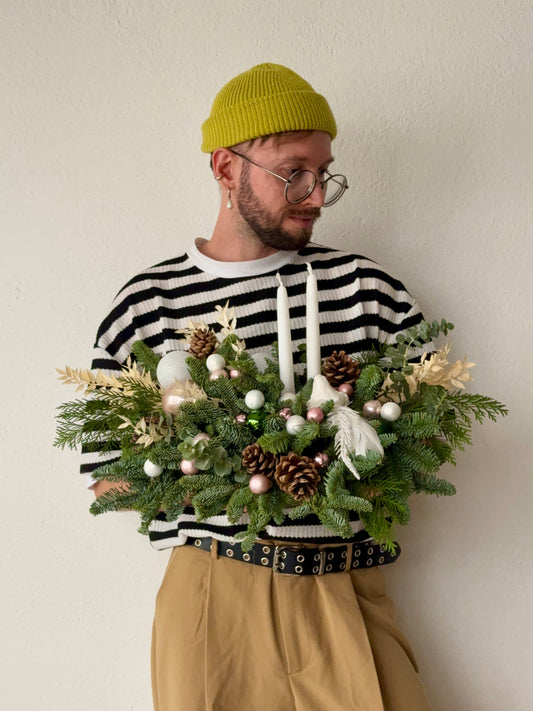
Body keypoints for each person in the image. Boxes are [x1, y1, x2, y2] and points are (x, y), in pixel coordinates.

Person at [84, 63, 431, 711]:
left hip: (345, 585)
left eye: (323, 172)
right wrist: (229, 462)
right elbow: (107, 474)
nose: (316, 194)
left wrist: (338, 452)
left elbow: (430, 430)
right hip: (215, 597)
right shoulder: (149, 306)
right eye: (292, 172)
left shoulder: (368, 291)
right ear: (224, 168)